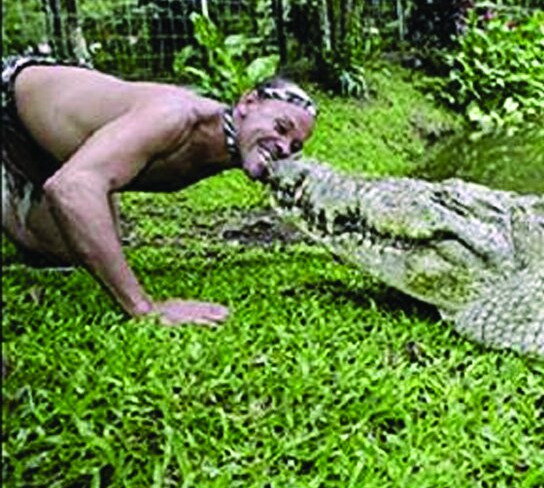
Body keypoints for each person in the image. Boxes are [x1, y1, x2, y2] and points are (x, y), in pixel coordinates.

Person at [1, 55, 316, 327]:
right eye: (281, 127)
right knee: (79, 204)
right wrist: (143, 307)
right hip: (9, 104)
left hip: (50, 147)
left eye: (295, 146)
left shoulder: (234, 143)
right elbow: (71, 188)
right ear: (247, 102)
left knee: (68, 250)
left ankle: (19, 195)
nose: (283, 147)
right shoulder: (174, 116)